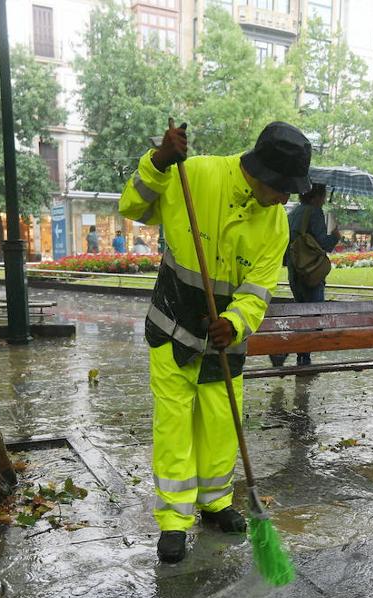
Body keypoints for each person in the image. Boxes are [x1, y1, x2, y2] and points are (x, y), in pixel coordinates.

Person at [120, 120, 310, 564]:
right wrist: (160, 163)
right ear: (261, 173)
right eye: (283, 188)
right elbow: (134, 204)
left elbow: (261, 287)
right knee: (175, 425)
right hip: (173, 327)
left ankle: (216, 501)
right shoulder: (196, 174)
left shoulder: (276, 224)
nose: (286, 199)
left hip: (224, 340)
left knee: (222, 422)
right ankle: (173, 520)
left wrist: (235, 321)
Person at [270, 182, 340, 368]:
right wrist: (335, 236)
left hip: (295, 272)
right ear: (316, 196)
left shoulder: (293, 213)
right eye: (323, 195)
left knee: (303, 314)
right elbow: (322, 243)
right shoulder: (315, 212)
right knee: (314, 317)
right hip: (311, 272)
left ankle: (303, 359)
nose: (324, 199)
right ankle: (285, 350)